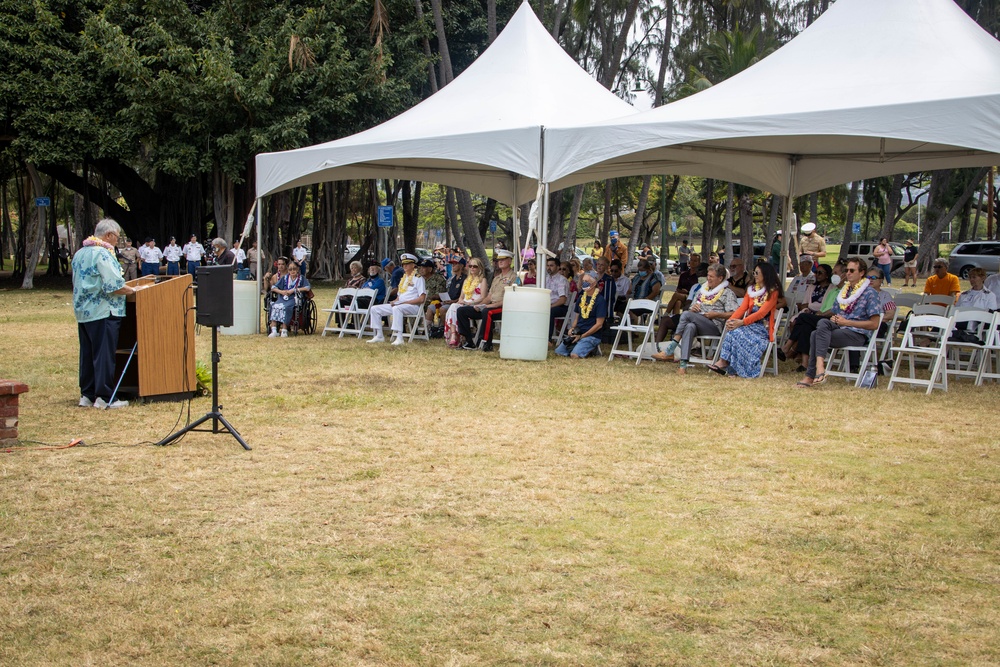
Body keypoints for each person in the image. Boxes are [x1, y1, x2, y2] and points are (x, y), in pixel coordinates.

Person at [72, 218, 136, 409]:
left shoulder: (80, 253)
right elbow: (113, 286)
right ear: (109, 235)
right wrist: (134, 291)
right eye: (117, 237)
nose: (118, 241)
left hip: (84, 311)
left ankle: (87, 395)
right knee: (104, 355)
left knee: (88, 354)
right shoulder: (103, 254)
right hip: (103, 310)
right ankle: (105, 397)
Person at [796, 258, 882, 388]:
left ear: (862, 273)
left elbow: (874, 324)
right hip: (840, 328)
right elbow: (836, 313)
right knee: (822, 324)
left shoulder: (870, 293)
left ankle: (811, 375)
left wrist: (847, 322)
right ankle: (819, 369)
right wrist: (836, 319)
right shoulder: (843, 292)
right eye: (847, 270)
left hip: (858, 334)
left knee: (815, 335)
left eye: (852, 270)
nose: (848, 273)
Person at [654, 263, 740, 373]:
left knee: (685, 314)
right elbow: (690, 309)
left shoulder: (727, 293)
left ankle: (670, 348)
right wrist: (693, 309)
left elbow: (735, 313)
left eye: (711, 276)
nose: (708, 278)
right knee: (689, 326)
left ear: (720, 278)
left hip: (714, 325)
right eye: (708, 275)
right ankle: (682, 366)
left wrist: (716, 314)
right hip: (697, 320)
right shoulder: (702, 291)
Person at [709, 262, 783, 378]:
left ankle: (730, 366)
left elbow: (761, 313)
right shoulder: (751, 290)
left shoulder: (773, 292)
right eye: (754, 273)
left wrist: (742, 322)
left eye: (757, 273)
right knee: (732, 330)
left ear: (766, 274)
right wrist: (732, 320)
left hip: (762, 328)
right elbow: (742, 308)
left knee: (737, 332)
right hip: (748, 325)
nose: (755, 275)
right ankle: (725, 363)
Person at [455, 249, 517, 352]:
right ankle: (469, 341)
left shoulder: (514, 277)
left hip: (504, 307)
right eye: (498, 260)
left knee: (487, 312)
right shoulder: (497, 278)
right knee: (462, 311)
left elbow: (510, 299)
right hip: (490, 306)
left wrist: (488, 306)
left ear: (510, 261)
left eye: (503, 259)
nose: (500, 262)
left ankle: (485, 342)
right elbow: (489, 296)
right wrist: (481, 304)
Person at [779, 264, 836, 372]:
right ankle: (804, 363)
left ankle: (788, 347)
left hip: (822, 316)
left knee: (803, 319)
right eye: (816, 272)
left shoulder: (832, 289)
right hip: (809, 313)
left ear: (827, 275)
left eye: (820, 273)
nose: (817, 275)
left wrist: (816, 310)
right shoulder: (812, 287)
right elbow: (805, 304)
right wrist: (809, 309)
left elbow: (828, 308)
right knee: (804, 325)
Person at [367, 253, 426, 345]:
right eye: (403, 264)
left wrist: (404, 302)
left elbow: (422, 299)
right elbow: (400, 295)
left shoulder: (418, 278)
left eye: (407, 264)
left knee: (396, 308)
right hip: (400, 304)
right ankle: (379, 335)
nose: (405, 266)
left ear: (413, 265)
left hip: (413, 306)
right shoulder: (404, 278)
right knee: (375, 309)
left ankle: (399, 337)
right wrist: (395, 301)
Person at [555, 273, 606, 359]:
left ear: (593, 284)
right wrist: (572, 329)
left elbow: (599, 324)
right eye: (583, 281)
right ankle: (579, 347)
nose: (584, 283)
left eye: (586, 281)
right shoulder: (581, 298)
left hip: (591, 335)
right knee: (559, 352)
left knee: (574, 355)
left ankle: (590, 349)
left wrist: (582, 336)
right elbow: (576, 318)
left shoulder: (600, 300)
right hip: (578, 332)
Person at [445, 257, 487, 347]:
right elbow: (461, 297)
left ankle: (461, 338)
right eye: (470, 266)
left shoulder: (482, 280)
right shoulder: (466, 280)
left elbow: (483, 297)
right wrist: (461, 301)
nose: (472, 268)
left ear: (480, 268)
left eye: (475, 266)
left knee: (460, 310)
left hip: (476, 305)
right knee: (453, 306)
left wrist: (470, 303)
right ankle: (453, 335)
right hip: (465, 304)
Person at [267, 261, 309, 337]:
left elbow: (307, 288)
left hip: (294, 298)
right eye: (290, 269)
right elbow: (273, 287)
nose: (292, 271)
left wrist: (294, 290)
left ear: (298, 269)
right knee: (274, 306)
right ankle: (274, 330)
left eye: (294, 269)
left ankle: (284, 329)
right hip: (283, 297)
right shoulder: (285, 278)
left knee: (286, 307)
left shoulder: (301, 278)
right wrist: (281, 291)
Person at [419, 258, 448, 329]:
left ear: (430, 269)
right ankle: (409, 328)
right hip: (420, 300)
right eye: (421, 267)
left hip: (433, 302)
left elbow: (440, 295)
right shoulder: (419, 279)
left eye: (424, 268)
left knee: (417, 305)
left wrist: (428, 298)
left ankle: (427, 329)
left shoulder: (438, 278)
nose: (421, 269)